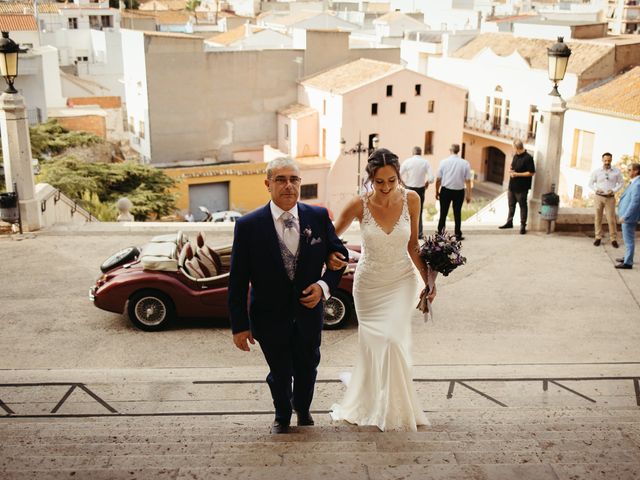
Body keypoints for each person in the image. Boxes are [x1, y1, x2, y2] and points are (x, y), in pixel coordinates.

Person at [228, 157, 348, 434]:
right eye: (280, 179)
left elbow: (339, 256)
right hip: (268, 316)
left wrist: (323, 287)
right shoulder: (248, 226)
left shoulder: (318, 217)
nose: (288, 186)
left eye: (294, 179)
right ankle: (282, 413)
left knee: (308, 367)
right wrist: (239, 325)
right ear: (267, 183)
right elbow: (237, 279)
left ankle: (303, 409)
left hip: (308, 314)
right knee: (279, 371)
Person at [326, 148, 433, 431]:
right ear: (370, 179)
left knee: (393, 342)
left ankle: (395, 409)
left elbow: (413, 246)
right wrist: (331, 255)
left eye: (391, 180)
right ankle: (372, 402)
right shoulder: (358, 205)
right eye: (379, 182)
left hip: (401, 280)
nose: (386, 188)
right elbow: (330, 237)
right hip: (369, 284)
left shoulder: (412, 199)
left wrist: (428, 282)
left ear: (399, 176)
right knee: (376, 345)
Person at [435, 144, 471, 241]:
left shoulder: (443, 162)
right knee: (457, 213)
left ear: (450, 150)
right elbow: (468, 181)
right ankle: (458, 234)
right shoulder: (465, 163)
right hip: (459, 192)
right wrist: (469, 195)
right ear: (458, 151)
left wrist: (436, 191)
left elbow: (438, 179)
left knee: (443, 213)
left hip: (445, 191)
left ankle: (440, 235)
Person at [499, 140, 535, 234]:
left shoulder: (528, 158)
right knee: (511, 205)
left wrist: (517, 174)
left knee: (523, 206)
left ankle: (523, 226)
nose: (513, 149)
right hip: (512, 186)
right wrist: (511, 171)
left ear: (517, 148)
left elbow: (531, 172)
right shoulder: (515, 156)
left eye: (514, 148)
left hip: (522, 188)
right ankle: (509, 222)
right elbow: (512, 167)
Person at [589, 152, 623, 248]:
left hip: (610, 198)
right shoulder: (597, 171)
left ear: (611, 160)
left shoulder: (616, 171)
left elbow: (621, 183)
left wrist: (613, 190)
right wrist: (596, 189)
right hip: (598, 197)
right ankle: (598, 237)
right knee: (597, 218)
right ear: (602, 160)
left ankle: (613, 239)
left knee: (611, 219)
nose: (607, 162)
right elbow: (590, 183)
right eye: (605, 160)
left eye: (609, 160)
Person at [400, 146, 434, 239]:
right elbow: (431, 178)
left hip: (409, 188)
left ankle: (407, 233)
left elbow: (398, 175)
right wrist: (427, 183)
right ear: (421, 153)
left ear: (413, 153)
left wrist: (403, 184)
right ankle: (419, 233)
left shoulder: (407, 161)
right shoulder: (425, 162)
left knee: (406, 211)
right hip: (420, 189)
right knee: (419, 211)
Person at [615, 162, 640, 270]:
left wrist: (625, 216)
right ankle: (627, 257)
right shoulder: (634, 182)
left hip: (629, 217)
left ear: (636, 171)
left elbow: (635, 202)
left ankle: (628, 263)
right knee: (627, 239)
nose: (628, 171)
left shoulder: (637, 184)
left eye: (630, 170)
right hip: (627, 216)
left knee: (629, 240)